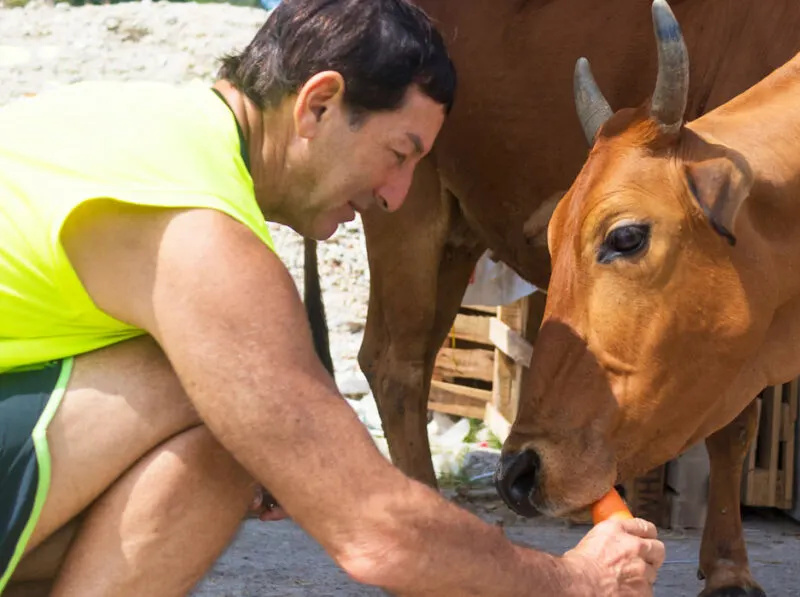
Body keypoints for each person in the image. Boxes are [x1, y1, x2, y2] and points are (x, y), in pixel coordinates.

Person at [0, 0, 666, 595]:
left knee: (230, 419)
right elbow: (376, 532)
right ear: (318, 105)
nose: (396, 195)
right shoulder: (200, 231)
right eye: (399, 153)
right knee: (213, 395)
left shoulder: (144, 125)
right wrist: (572, 577)